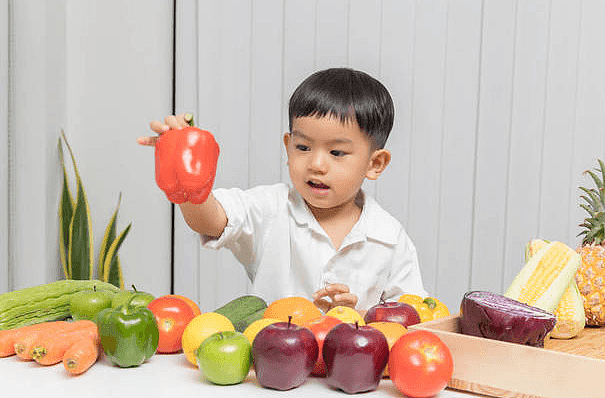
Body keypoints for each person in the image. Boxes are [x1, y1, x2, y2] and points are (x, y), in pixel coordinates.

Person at [138, 67, 427, 312]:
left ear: (375, 164)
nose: (316, 164)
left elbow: (410, 322)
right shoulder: (270, 208)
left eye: (337, 153)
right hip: (272, 367)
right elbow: (210, 221)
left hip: (349, 373)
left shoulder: (390, 238)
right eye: (303, 147)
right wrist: (189, 183)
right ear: (288, 147)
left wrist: (358, 317)